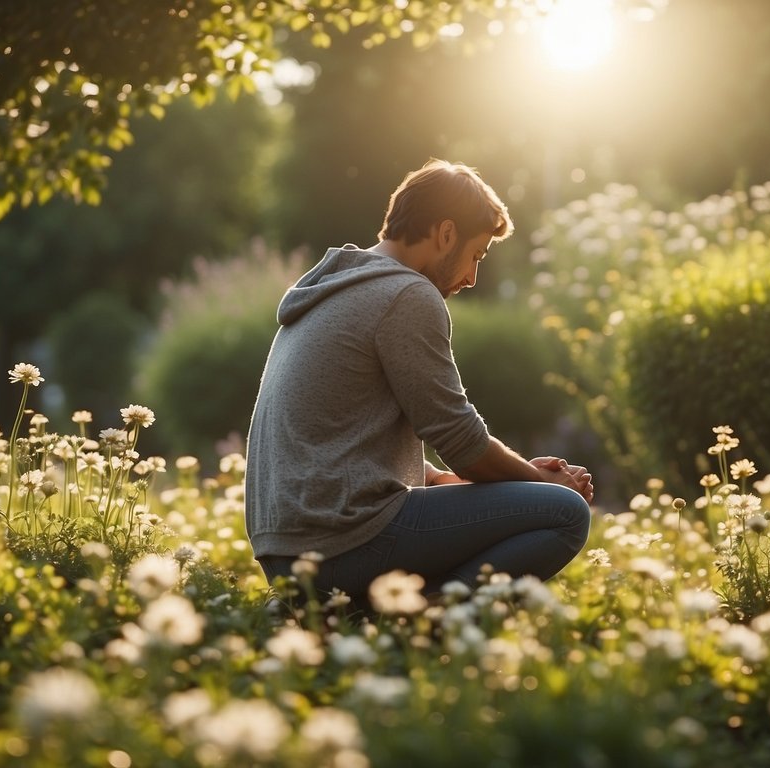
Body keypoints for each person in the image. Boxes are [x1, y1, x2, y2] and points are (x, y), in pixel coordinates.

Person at [244, 159, 593, 606]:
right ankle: (423, 620)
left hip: (287, 553)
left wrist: (501, 485)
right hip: (341, 548)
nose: (470, 277)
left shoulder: (335, 289)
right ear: (446, 234)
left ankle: (369, 617)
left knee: (535, 502)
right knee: (564, 513)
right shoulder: (406, 294)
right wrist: (544, 486)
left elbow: (346, 452)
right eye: (476, 255)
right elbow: (460, 440)